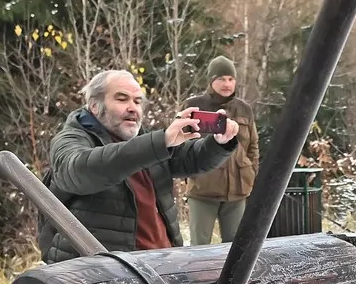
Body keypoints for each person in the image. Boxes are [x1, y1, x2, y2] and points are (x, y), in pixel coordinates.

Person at [38, 69, 238, 262]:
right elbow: (78, 171)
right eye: (122, 99)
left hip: (160, 264)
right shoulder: (71, 138)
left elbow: (190, 159)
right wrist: (160, 142)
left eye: (137, 101)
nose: (133, 108)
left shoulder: (144, 139)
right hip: (102, 273)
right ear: (94, 106)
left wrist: (219, 143)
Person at [183, 56, 260, 245]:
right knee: (199, 246)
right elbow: (182, 144)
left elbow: (253, 146)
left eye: (230, 79)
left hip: (237, 191)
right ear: (211, 81)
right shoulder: (194, 106)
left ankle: (232, 277)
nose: (227, 83)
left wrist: (251, 171)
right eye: (221, 79)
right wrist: (191, 173)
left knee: (236, 246)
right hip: (203, 189)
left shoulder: (244, 109)